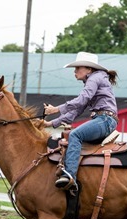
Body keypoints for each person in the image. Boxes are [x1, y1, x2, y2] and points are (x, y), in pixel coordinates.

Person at [43, 52, 119, 189]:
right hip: (105, 119)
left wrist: (56, 109)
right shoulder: (96, 79)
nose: (75, 71)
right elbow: (77, 110)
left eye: (78, 68)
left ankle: (69, 175)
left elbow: (81, 100)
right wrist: (52, 123)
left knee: (75, 135)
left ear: (89, 69)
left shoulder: (94, 79)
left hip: (105, 119)